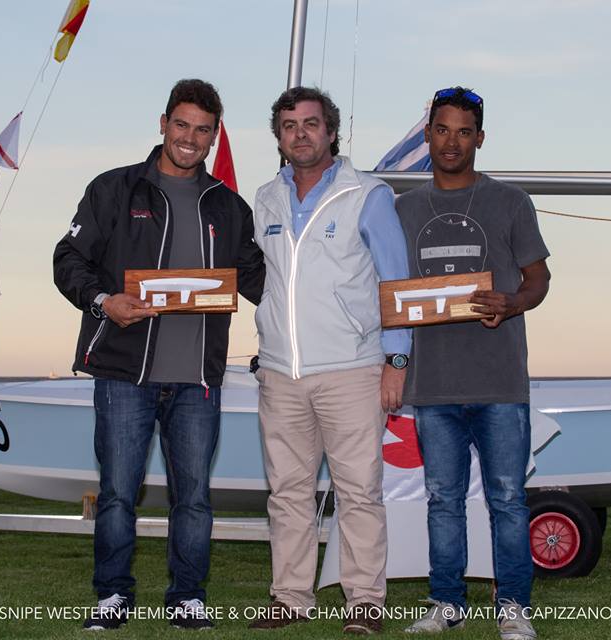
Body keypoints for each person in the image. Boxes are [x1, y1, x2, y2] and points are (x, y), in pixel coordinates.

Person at [52, 78, 264, 632]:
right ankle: (112, 595)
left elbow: (263, 281)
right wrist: (104, 301)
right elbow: (68, 258)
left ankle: (187, 597)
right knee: (118, 495)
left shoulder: (229, 207)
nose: (190, 138)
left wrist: (331, 295)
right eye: (182, 125)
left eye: (203, 130)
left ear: (214, 136)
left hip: (198, 380)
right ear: (163, 123)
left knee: (193, 499)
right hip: (125, 374)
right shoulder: (114, 189)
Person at [246, 86, 411, 636]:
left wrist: (397, 358)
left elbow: (395, 280)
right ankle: (290, 597)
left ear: (331, 131)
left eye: (311, 124)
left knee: (358, 491)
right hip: (280, 373)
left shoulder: (368, 194)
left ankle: (365, 600)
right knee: (287, 494)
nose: (300, 134)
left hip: (352, 369)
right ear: (279, 137)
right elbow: (269, 281)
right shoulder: (265, 198)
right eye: (289, 126)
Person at [396, 87, 550, 639]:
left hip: (499, 383)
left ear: (480, 138)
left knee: (508, 500)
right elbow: (387, 290)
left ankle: (514, 608)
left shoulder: (510, 201)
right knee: (443, 501)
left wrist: (512, 303)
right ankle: (446, 603)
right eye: (442, 130)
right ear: (427, 135)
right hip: (432, 384)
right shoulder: (403, 209)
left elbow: (539, 280)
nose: (452, 142)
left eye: (464, 132)